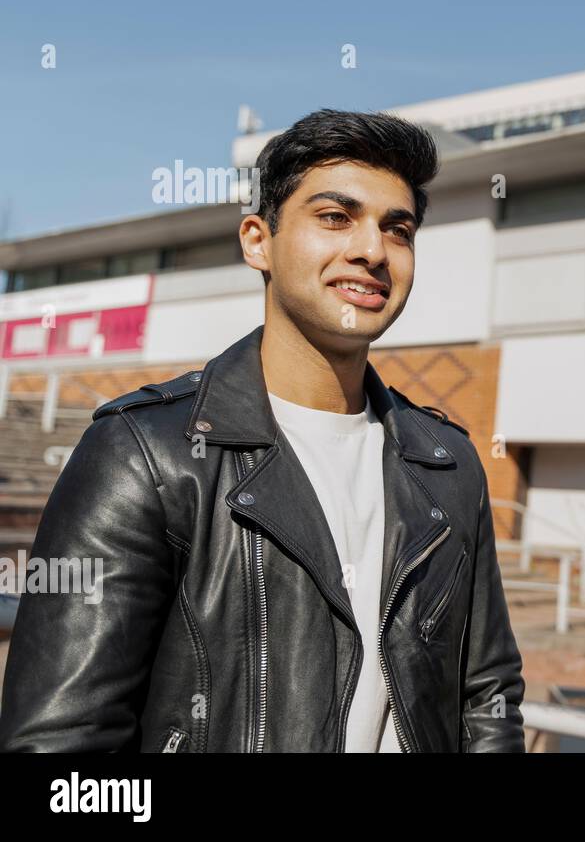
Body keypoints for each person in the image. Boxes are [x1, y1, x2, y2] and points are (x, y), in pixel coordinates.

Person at [0, 109, 525, 752]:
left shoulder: (447, 465)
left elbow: (488, 695)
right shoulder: (146, 454)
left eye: (399, 229)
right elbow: (60, 744)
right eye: (335, 217)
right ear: (258, 241)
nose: (372, 249)